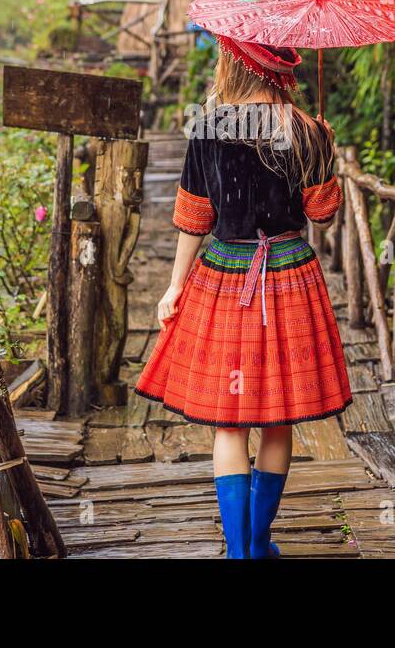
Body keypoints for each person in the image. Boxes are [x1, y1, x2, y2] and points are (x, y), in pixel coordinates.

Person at [133, 36, 351, 558]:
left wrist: (175, 285)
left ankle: (239, 552)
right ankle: (257, 545)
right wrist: (327, 153)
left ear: (233, 62)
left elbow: (194, 216)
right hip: (290, 276)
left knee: (229, 422)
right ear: (284, 68)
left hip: (225, 275)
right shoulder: (307, 129)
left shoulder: (208, 126)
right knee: (277, 416)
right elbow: (322, 214)